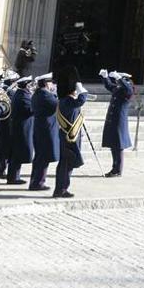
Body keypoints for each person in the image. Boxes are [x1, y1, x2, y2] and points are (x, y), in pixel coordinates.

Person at [54, 71, 88, 199]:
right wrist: (81, 89)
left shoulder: (64, 100)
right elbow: (82, 99)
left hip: (67, 136)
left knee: (66, 163)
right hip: (69, 138)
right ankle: (61, 189)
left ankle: (61, 188)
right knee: (66, 164)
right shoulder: (68, 101)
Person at [100, 69, 134, 177]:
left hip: (119, 122)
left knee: (118, 146)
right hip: (113, 120)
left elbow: (128, 89)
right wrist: (105, 77)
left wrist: (119, 78)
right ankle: (114, 168)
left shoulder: (128, 89)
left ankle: (117, 170)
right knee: (113, 145)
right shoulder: (119, 89)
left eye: (119, 80)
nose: (117, 82)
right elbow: (110, 86)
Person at [29, 73, 59, 191]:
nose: (53, 84)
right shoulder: (45, 95)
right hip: (46, 129)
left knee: (40, 157)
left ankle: (35, 181)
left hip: (41, 128)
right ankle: (38, 183)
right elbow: (58, 105)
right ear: (46, 83)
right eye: (51, 82)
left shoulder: (38, 94)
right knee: (43, 157)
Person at [6, 76, 34, 184]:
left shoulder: (21, 94)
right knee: (17, 154)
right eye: (30, 85)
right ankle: (13, 178)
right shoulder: (23, 96)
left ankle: (14, 176)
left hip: (21, 126)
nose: (31, 87)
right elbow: (31, 109)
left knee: (17, 154)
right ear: (26, 85)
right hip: (22, 128)